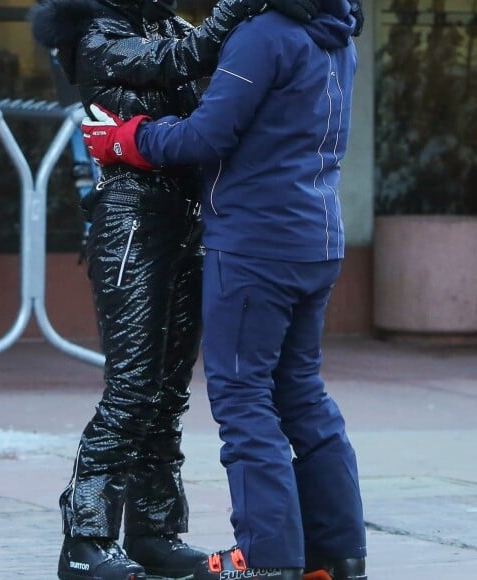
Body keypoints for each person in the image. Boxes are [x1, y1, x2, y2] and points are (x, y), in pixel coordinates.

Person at [29, 0, 321, 579]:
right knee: (133, 387)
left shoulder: (162, 22)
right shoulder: (99, 34)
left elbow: (207, 97)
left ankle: (153, 531)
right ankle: (84, 542)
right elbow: (180, 58)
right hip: (133, 223)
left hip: (187, 221)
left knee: (167, 392)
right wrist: (238, 8)